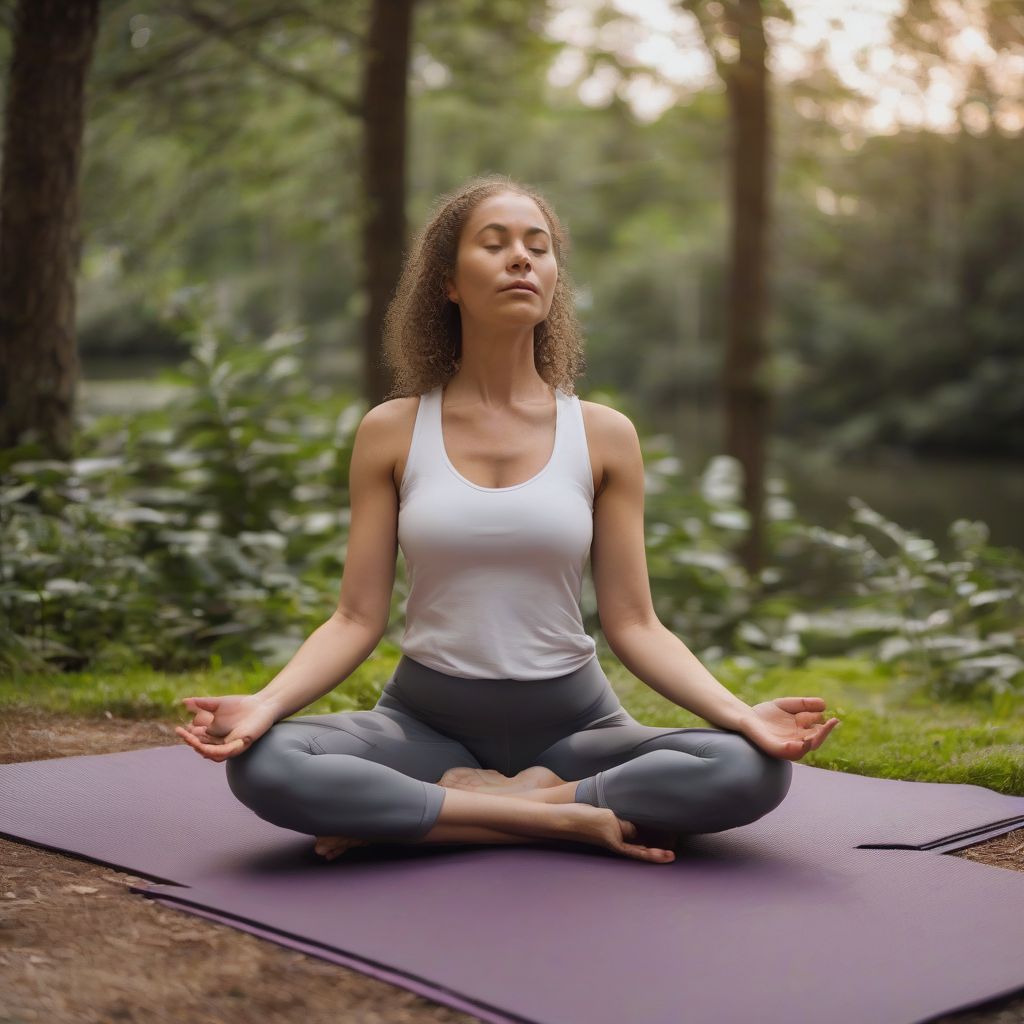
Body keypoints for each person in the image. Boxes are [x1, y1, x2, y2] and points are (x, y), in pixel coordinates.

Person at [176, 174, 839, 866]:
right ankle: (567, 818)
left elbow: (635, 623)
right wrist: (265, 701)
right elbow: (354, 618)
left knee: (751, 768)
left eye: (538, 247)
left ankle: (436, 814)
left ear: (553, 279)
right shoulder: (391, 431)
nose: (521, 258)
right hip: (423, 724)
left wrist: (739, 716)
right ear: (448, 284)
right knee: (268, 763)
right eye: (494, 245)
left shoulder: (606, 435)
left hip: (574, 729)